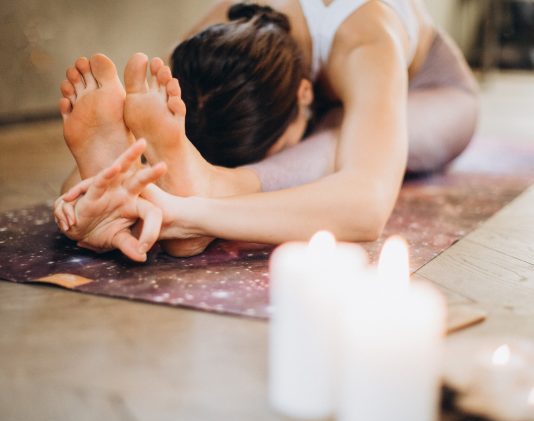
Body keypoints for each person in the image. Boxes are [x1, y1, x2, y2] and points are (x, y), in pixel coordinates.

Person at [55, 0, 479, 261]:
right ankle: (193, 175)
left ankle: (217, 183)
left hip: (435, 94)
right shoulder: (228, 28)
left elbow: (366, 204)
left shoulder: (367, 42)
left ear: (305, 92)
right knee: (176, 130)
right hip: (326, 99)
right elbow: (152, 113)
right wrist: (98, 189)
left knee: (339, 135)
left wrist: (190, 215)